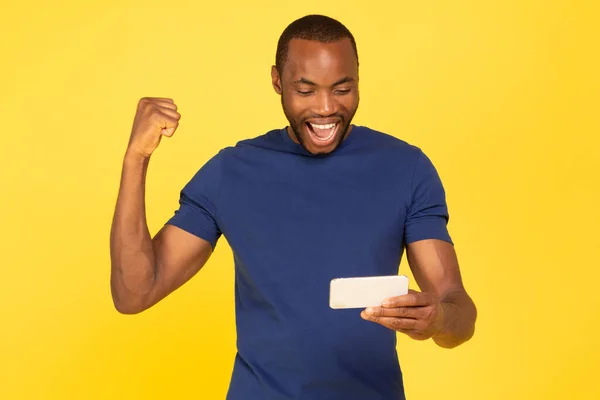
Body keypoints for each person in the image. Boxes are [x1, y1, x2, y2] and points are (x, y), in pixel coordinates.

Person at [109, 14, 477, 400]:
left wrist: (437, 319)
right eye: (306, 91)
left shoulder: (406, 168)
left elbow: (459, 314)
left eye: (342, 89)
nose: (324, 108)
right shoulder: (231, 172)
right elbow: (134, 294)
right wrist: (136, 158)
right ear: (277, 81)